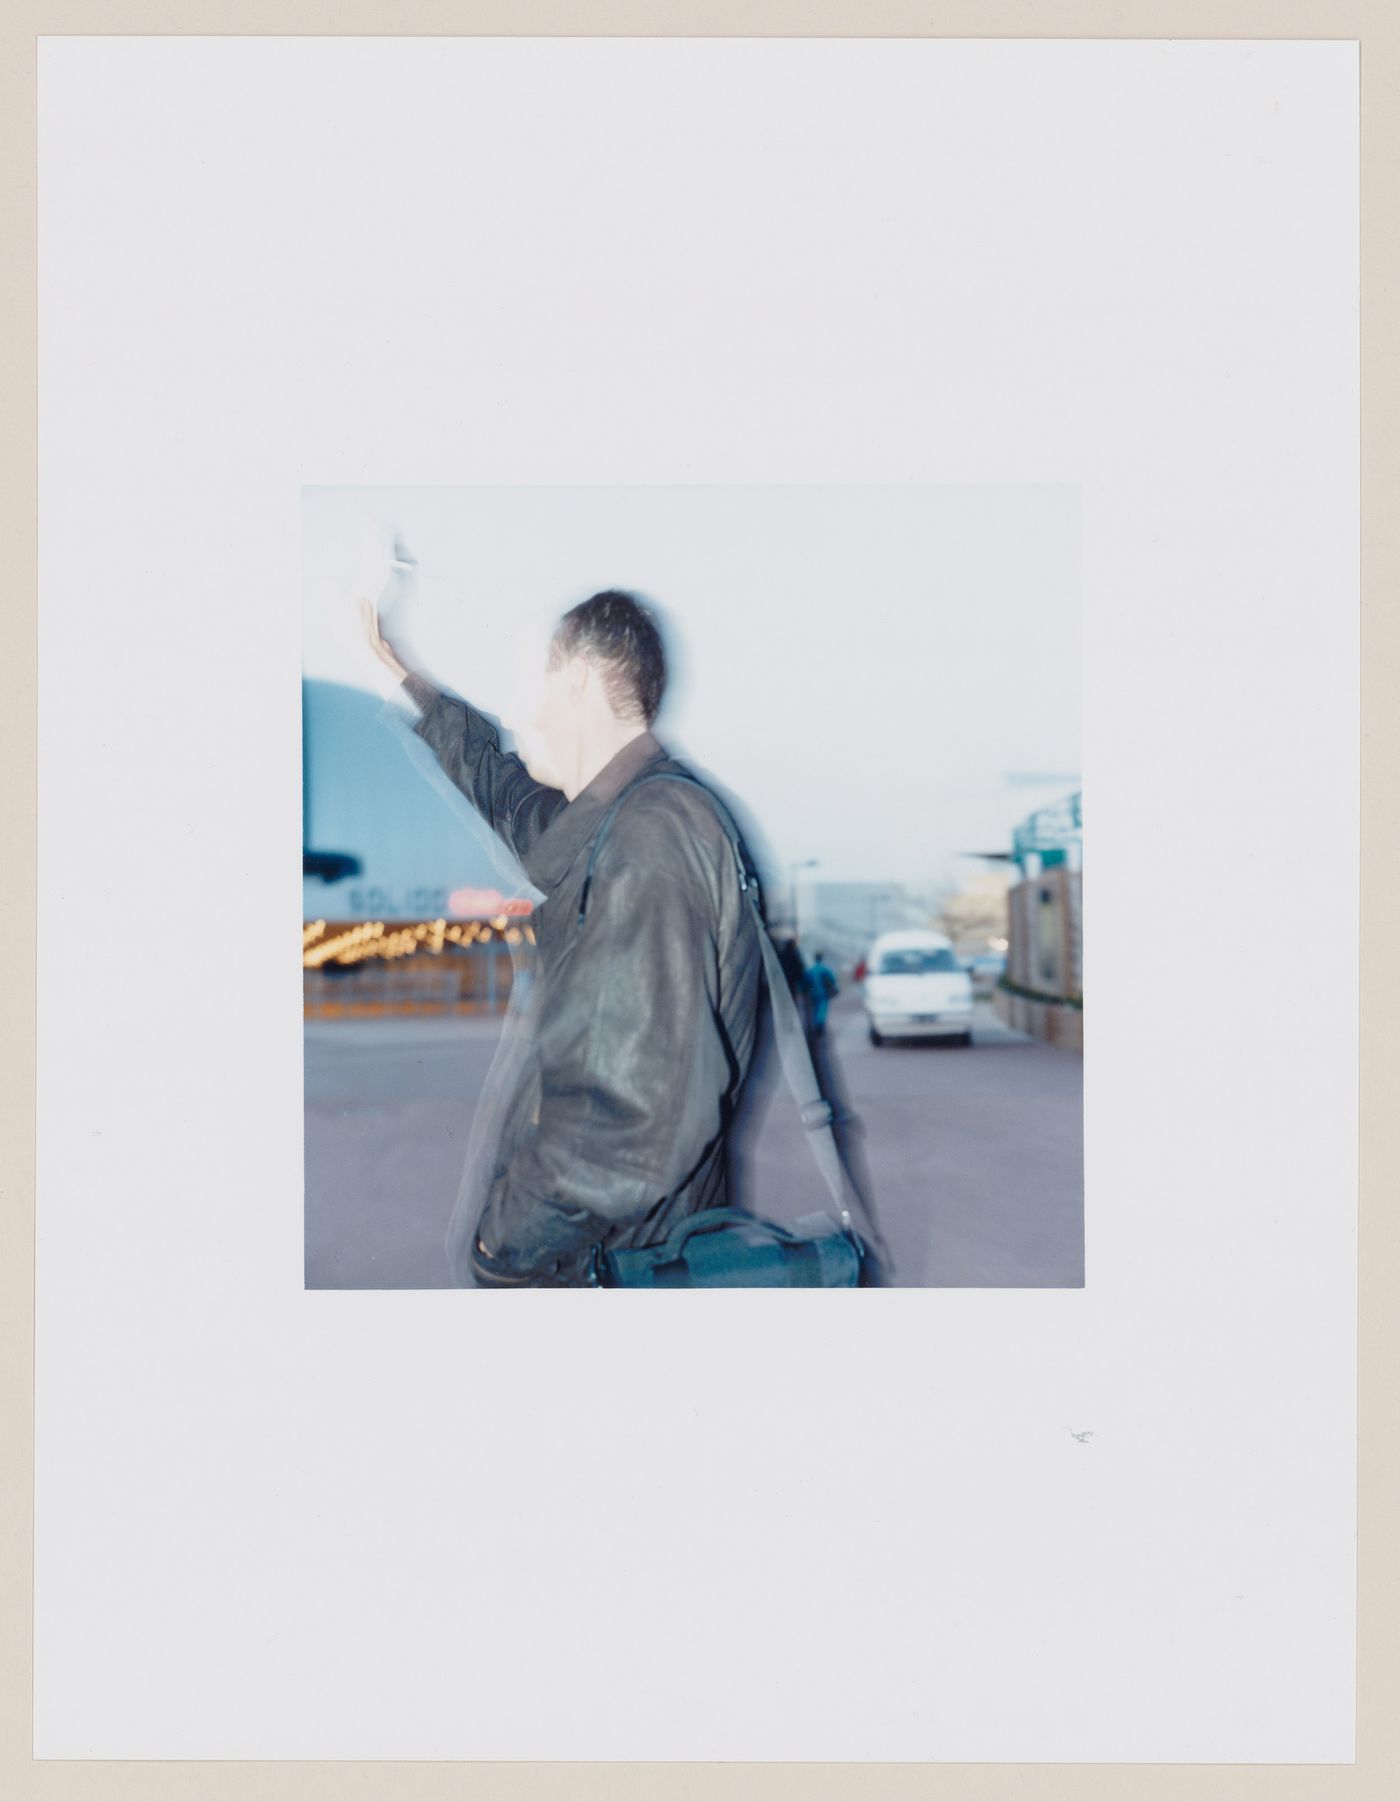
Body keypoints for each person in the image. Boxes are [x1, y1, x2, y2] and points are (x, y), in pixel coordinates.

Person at [364, 587, 764, 1288]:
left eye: (531, 685)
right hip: (610, 1253)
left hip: (611, 1263)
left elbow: (629, 1130)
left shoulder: (651, 840)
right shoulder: (615, 820)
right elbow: (503, 790)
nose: (517, 713)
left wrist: (504, 1243)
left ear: (577, 680)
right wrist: (401, 675)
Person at [804, 949, 839, 1040]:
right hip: (823, 993)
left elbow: (805, 981)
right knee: (822, 1009)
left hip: (813, 993)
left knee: (815, 1009)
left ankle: (816, 1024)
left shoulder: (811, 969)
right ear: (821, 958)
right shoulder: (824, 969)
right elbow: (833, 978)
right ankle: (820, 1025)